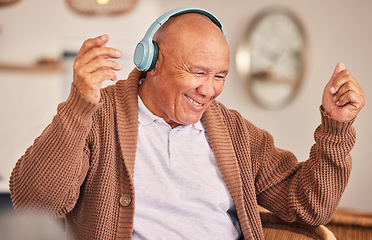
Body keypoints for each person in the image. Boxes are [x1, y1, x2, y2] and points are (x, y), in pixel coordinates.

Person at [9, 7, 365, 240]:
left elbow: (310, 206)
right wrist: (78, 106)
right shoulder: (98, 115)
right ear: (151, 61)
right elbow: (35, 202)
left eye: (220, 76)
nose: (209, 90)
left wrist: (335, 128)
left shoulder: (235, 133)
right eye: (198, 72)